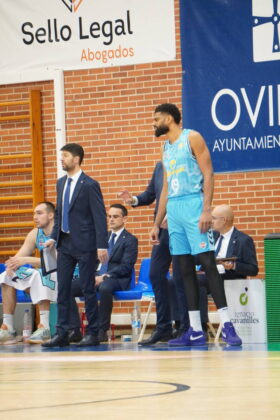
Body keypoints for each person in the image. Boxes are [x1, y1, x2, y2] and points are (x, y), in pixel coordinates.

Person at [150, 103, 242, 347]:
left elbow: (209, 173)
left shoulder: (192, 137)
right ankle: (194, 330)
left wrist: (206, 210)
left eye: (157, 118)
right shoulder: (165, 148)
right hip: (174, 210)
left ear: (169, 118)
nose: (153, 122)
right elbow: (167, 188)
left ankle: (228, 326)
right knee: (183, 270)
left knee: (208, 264)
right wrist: (157, 223)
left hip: (194, 205)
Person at [42, 143, 108, 348]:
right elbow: (60, 213)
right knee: (62, 289)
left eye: (66, 156)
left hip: (86, 243)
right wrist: (54, 236)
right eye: (61, 156)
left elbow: (99, 217)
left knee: (88, 288)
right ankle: (62, 332)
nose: (62, 159)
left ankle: (93, 332)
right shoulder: (61, 183)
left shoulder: (89, 184)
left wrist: (101, 245)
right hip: (65, 243)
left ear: (77, 159)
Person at [119, 162, 189, 345]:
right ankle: (163, 327)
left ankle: (185, 327)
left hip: (181, 228)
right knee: (156, 274)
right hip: (162, 229)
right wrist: (133, 199)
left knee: (180, 278)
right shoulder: (160, 167)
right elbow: (151, 194)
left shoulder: (186, 163)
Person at [69, 203, 138, 342]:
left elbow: (126, 266)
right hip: (96, 276)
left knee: (105, 287)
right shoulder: (102, 237)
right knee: (68, 288)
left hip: (116, 278)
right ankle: (75, 329)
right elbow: (91, 260)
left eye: (115, 216)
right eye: (109, 216)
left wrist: (105, 276)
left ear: (124, 219)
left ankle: (101, 329)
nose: (111, 219)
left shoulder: (130, 240)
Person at [0, 202, 57, 344]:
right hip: (46, 274)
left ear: (51, 215)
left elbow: (56, 262)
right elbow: (18, 257)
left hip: (67, 274)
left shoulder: (61, 232)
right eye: (34, 213)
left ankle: (44, 328)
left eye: (39, 213)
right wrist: (11, 265)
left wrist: (25, 260)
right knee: (7, 275)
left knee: (41, 274)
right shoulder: (35, 233)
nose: (35, 217)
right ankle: (9, 328)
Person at [198, 204, 259, 326]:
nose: (211, 221)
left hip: (228, 279)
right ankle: (180, 325)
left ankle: (201, 327)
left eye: (214, 218)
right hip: (208, 276)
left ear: (224, 220)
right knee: (176, 280)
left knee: (197, 281)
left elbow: (253, 269)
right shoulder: (212, 236)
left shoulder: (243, 240)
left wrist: (234, 266)